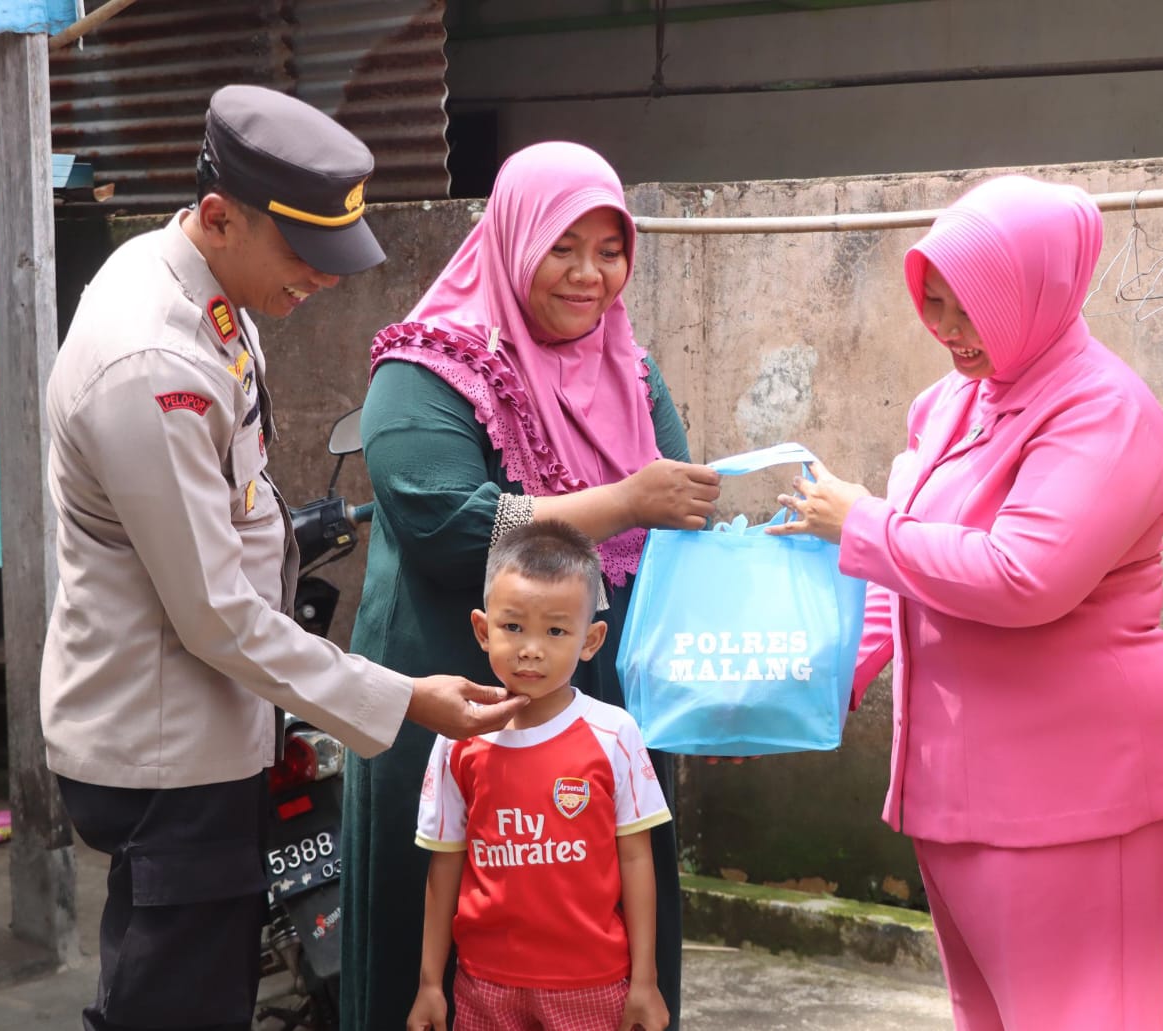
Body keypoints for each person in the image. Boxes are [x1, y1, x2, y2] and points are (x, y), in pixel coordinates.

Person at [40, 85, 526, 1031]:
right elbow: (215, 613)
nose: (324, 280)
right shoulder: (154, 359)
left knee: (195, 984)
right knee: (175, 1006)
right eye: (305, 253)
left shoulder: (202, 288)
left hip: (201, 721)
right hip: (165, 746)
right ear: (219, 215)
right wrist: (400, 696)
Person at [768, 174, 1163, 1030]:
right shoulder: (947, 405)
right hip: (962, 787)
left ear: (1037, 292)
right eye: (933, 302)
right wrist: (810, 686)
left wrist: (861, 521)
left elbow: (1024, 575)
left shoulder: (1103, 411)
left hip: (1079, 788)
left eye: (970, 309)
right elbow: (902, 574)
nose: (946, 329)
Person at [341, 141, 718, 1031]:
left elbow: (676, 518)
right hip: (458, 704)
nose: (590, 275)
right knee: (444, 931)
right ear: (512, 240)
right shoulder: (423, 371)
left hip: (599, 710)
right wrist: (624, 500)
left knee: (604, 934)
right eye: (563, 247)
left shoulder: (630, 372)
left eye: (610, 250)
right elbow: (451, 526)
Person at [408, 520, 672, 1031]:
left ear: (591, 640)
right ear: (483, 630)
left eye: (555, 631)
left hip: (593, 985)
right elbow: (445, 865)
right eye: (513, 627)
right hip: (483, 985)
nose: (531, 648)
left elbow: (638, 859)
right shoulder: (458, 738)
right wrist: (430, 984)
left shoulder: (615, 734)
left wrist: (645, 980)